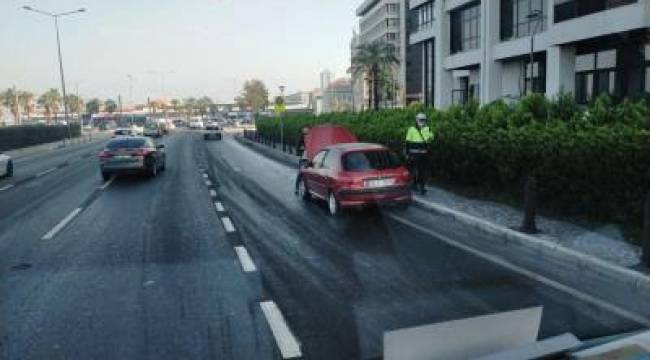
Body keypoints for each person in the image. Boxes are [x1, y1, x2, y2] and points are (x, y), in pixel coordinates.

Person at [405, 113, 433, 195]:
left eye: (423, 120)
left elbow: (431, 139)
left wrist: (429, 138)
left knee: (422, 171)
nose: (422, 121)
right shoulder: (411, 129)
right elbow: (407, 142)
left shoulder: (428, 129)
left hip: (423, 154)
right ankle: (414, 184)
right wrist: (407, 153)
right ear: (416, 120)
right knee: (413, 170)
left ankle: (422, 187)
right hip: (413, 154)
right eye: (420, 120)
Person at [295, 126, 310, 194]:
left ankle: (309, 188)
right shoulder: (301, 138)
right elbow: (297, 148)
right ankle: (297, 187)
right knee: (301, 173)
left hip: (311, 158)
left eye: (307, 130)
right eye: (305, 130)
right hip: (304, 158)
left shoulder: (311, 137)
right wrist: (302, 148)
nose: (306, 131)